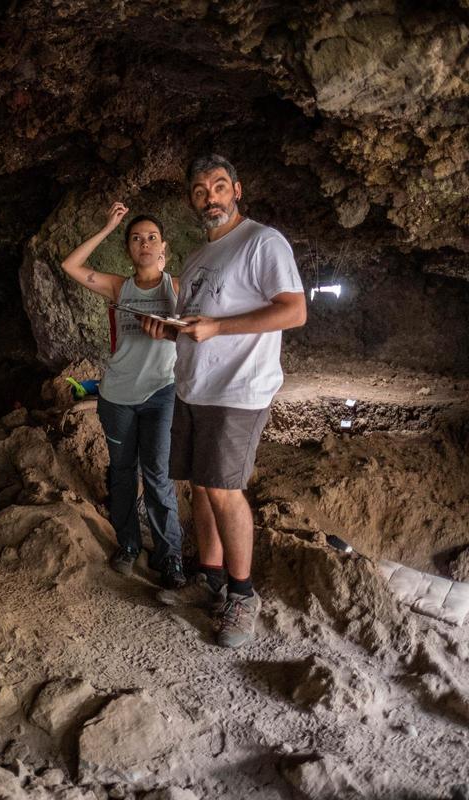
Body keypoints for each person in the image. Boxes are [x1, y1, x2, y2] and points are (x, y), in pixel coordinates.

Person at [143, 154, 306, 648]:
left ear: (237, 190)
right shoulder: (196, 258)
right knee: (199, 486)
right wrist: (168, 332)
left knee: (223, 490)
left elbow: (294, 311)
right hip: (195, 386)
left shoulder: (261, 241)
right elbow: (199, 327)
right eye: (198, 190)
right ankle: (210, 577)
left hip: (238, 390)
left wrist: (218, 327)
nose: (209, 197)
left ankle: (243, 594)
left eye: (218, 186)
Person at [59, 201, 187, 590]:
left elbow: (203, 330)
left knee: (158, 475)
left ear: (163, 246)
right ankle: (129, 545)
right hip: (116, 396)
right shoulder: (120, 287)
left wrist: (169, 329)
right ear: (129, 248)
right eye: (136, 238)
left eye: (151, 238)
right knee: (122, 473)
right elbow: (71, 266)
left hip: (162, 393)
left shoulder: (178, 288)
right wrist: (107, 226)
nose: (144, 244)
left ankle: (170, 558)